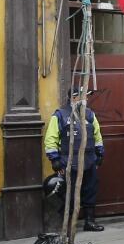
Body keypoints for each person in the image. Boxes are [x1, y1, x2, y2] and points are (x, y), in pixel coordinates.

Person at [44, 87, 106, 233]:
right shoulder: (59, 115)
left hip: (89, 161)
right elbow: (50, 139)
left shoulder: (90, 114)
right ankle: (67, 225)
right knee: (69, 194)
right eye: (83, 97)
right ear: (74, 97)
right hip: (68, 162)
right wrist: (55, 159)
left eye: (86, 97)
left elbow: (97, 136)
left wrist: (100, 154)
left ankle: (89, 222)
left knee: (90, 190)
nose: (86, 99)